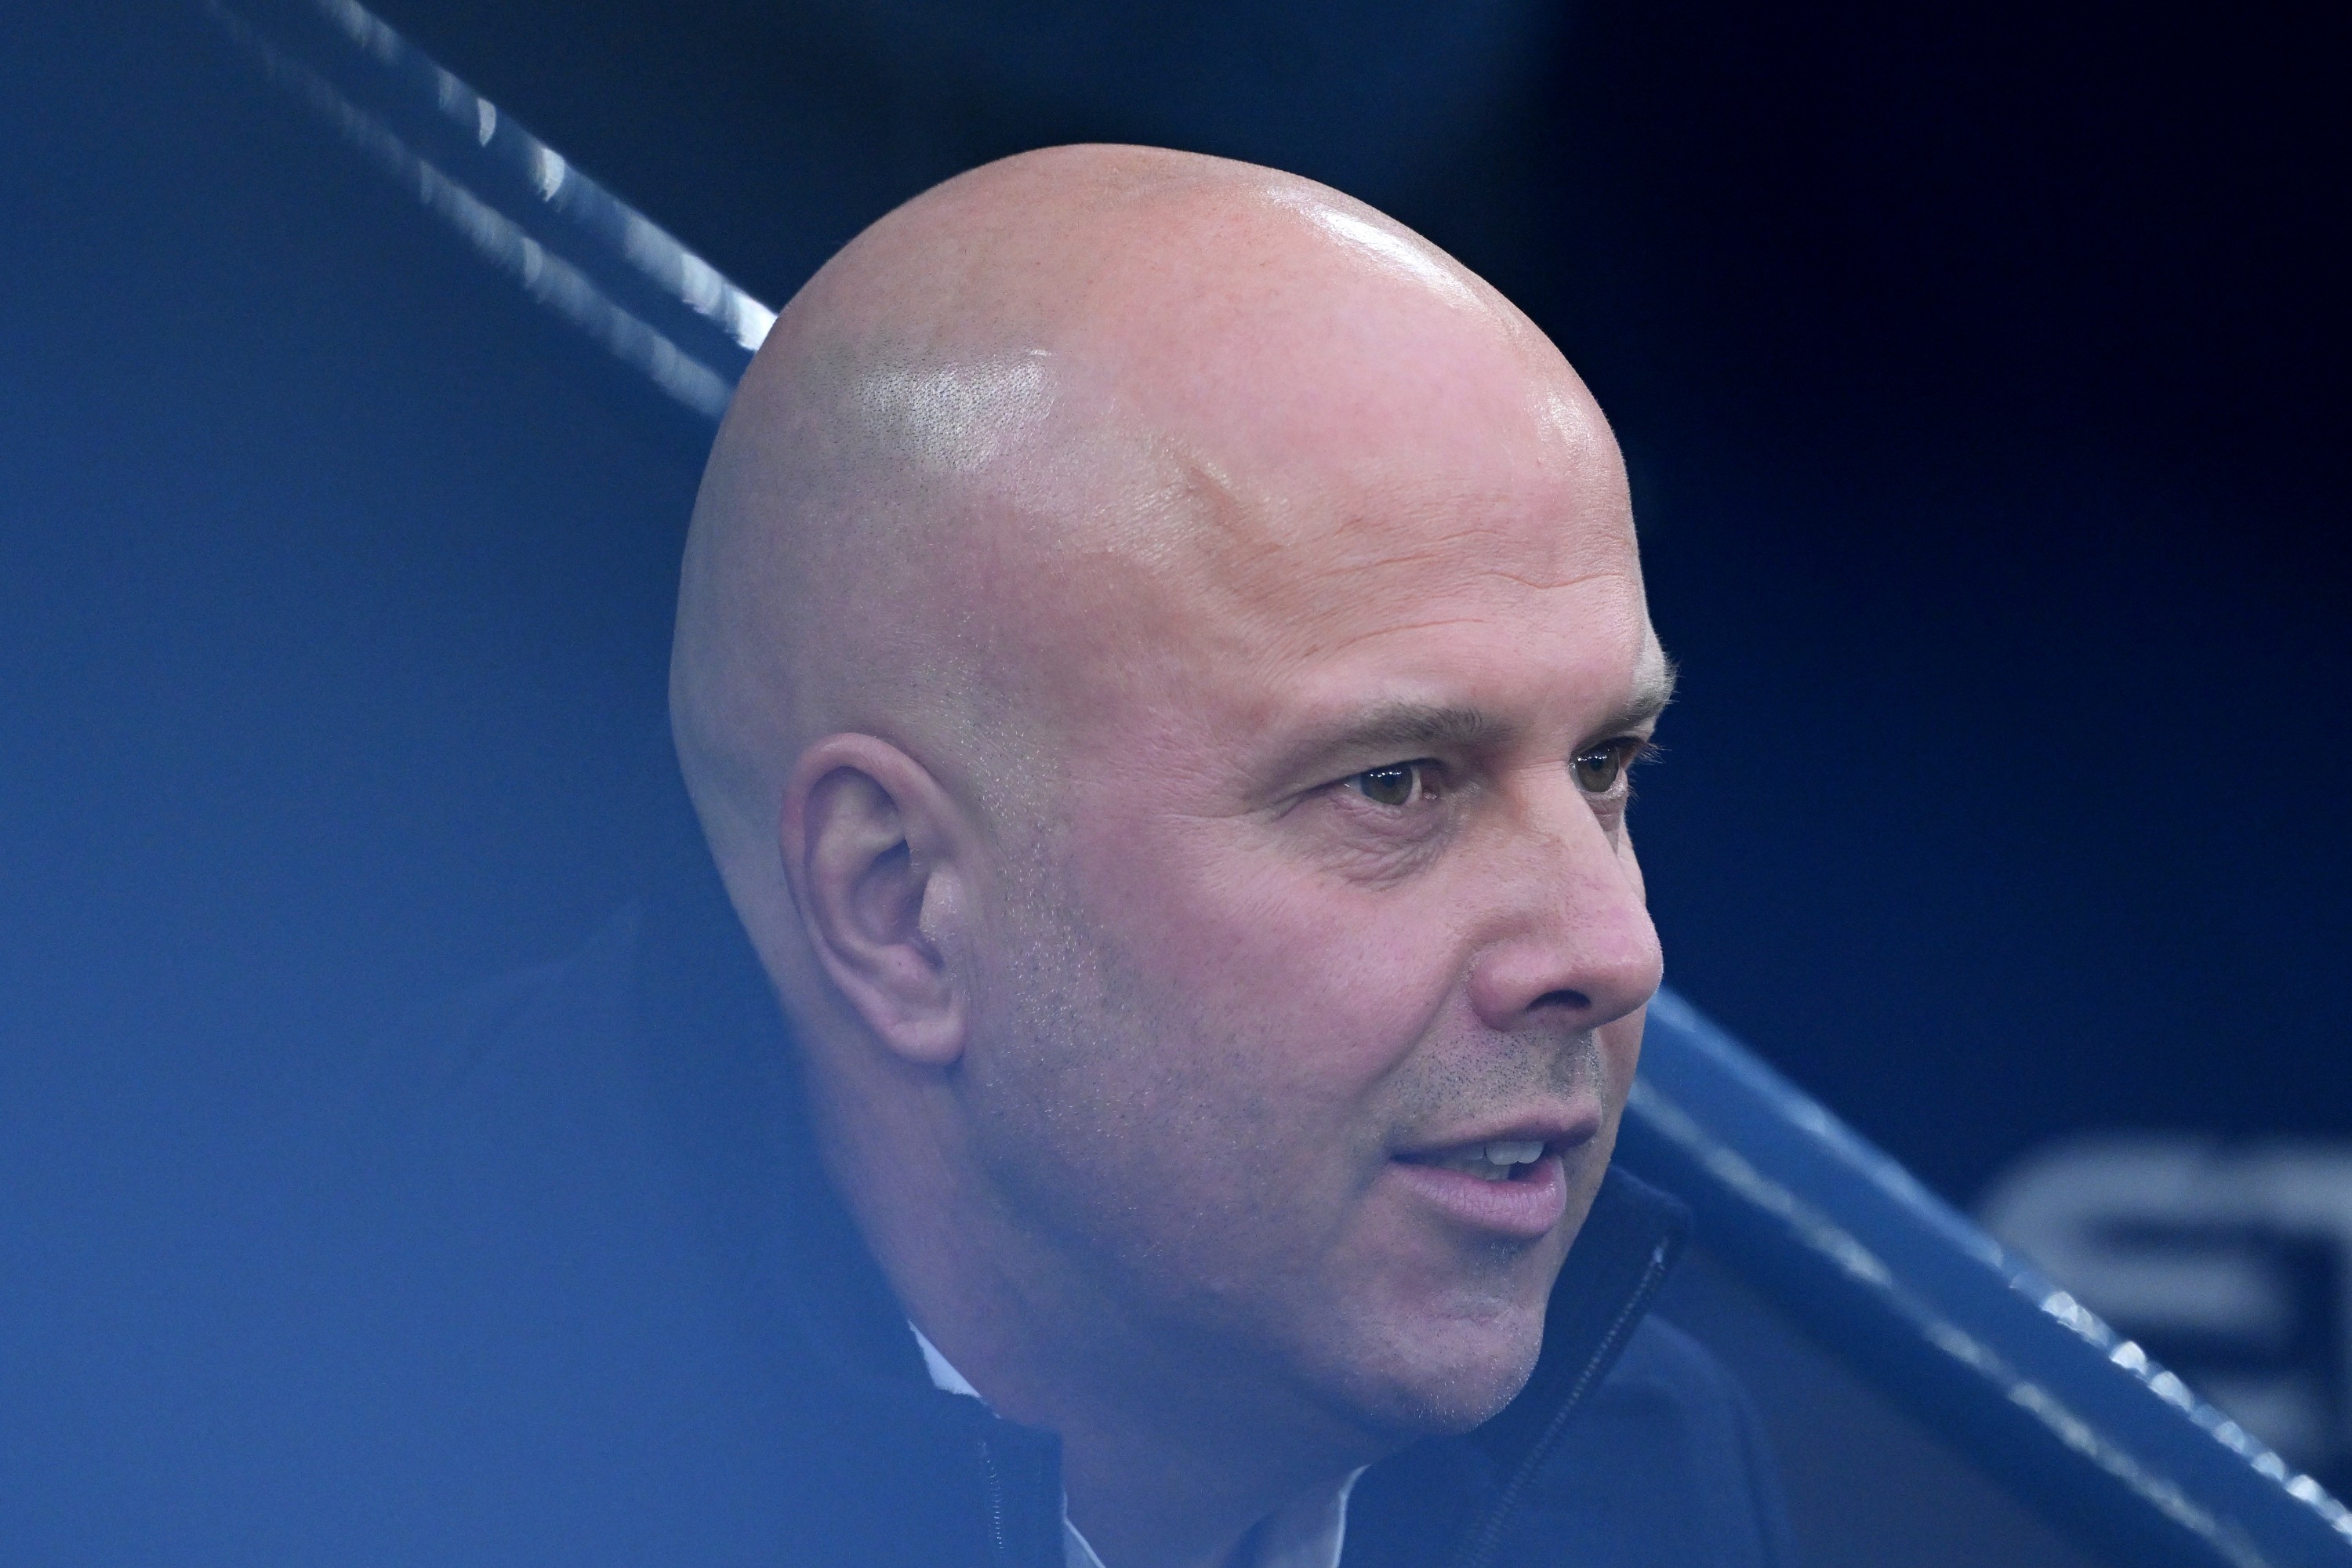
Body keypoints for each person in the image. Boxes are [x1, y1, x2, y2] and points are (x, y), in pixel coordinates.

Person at [256, 143, 1791, 1567]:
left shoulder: (1638, 1469)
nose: (1613, 947)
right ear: (898, 906)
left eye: (1604, 764)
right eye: (1395, 784)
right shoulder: (290, 1459)